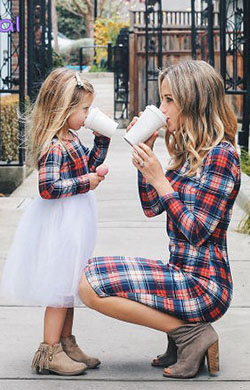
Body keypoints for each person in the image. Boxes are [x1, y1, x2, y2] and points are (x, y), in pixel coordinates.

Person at [78, 60, 241, 379]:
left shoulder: (222, 156)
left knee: (89, 287)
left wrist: (161, 180)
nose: (161, 108)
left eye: (169, 100)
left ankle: (192, 335)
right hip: (180, 272)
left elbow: (197, 232)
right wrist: (146, 164)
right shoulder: (186, 152)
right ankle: (181, 334)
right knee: (86, 273)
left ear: (192, 102)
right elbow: (152, 207)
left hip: (205, 285)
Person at [0, 68, 111, 376]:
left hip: (75, 219)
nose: (88, 115)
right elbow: (48, 189)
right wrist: (85, 183)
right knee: (58, 288)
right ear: (64, 110)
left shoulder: (71, 138)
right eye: (84, 109)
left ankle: (67, 342)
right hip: (61, 222)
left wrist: (101, 143)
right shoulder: (54, 146)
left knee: (69, 285)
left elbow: (88, 165)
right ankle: (49, 351)